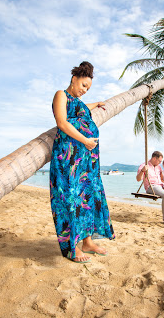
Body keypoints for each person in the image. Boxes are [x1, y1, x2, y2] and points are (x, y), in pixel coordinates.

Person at [49, 61, 115, 263]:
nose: (85, 90)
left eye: (88, 88)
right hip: (69, 157)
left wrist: (97, 103)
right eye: (83, 85)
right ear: (74, 78)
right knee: (70, 198)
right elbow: (62, 122)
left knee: (86, 198)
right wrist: (86, 140)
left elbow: (81, 107)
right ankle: (72, 249)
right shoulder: (61, 94)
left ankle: (87, 242)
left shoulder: (77, 102)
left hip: (86, 159)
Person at [136, 151, 164, 229]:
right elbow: (138, 179)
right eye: (159, 161)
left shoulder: (158, 167)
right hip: (152, 187)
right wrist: (142, 171)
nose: (160, 163)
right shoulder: (144, 165)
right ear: (154, 158)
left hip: (161, 185)